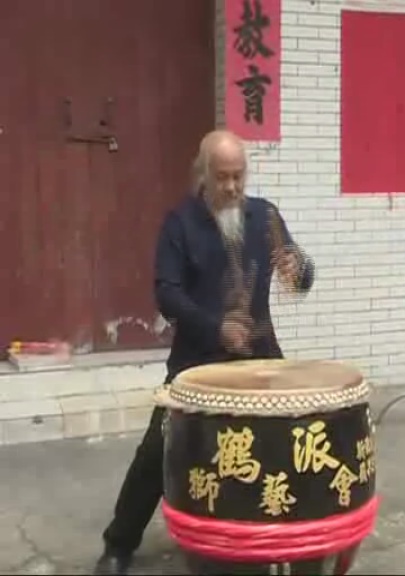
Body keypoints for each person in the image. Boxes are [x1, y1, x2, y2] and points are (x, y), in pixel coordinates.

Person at [93, 130, 315, 576]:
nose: (231, 187)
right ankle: (119, 543)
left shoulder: (265, 217)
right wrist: (216, 327)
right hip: (197, 359)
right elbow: (167, 294)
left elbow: (301, 277)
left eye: (238, 176)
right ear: (203, 174)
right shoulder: (180, 223)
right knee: (160, 448)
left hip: (260, 357)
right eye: (222, 177)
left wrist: (300, 269)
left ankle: (284, 539)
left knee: (290, 442)